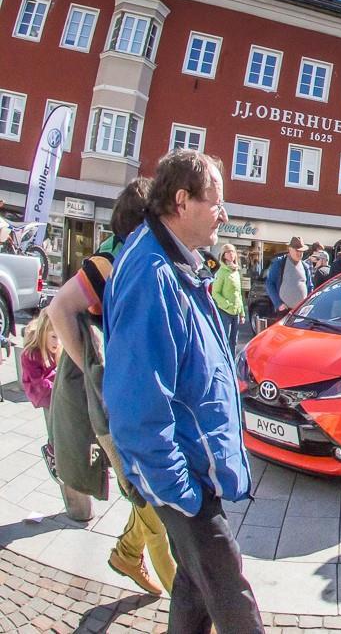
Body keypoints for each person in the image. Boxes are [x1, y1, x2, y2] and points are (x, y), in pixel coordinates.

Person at [105, 150, 262, 632]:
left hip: (193, 469)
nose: (224, 214)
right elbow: (137, 406)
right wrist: (181, 492)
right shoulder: (153, 273)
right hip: (184, 476)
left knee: (194, 589)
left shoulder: (173, 260)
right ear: (181, 201)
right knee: (232, 597)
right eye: (216, 202)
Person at [45, 176, 175, 596]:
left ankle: (127, 553)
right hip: (115, 405)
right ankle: (191, 607)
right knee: (153, 504)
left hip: (135, 398)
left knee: (148, 495)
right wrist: (94, 371)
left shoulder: (141, 256)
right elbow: (59, 308)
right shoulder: (111, 259)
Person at [20, 312, 91, 518]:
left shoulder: (57, 348)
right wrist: (60, 384)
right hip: (45, 397)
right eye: (53, 337)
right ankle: (53, 452)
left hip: (58, 395)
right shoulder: (30, 354)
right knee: (57, 433)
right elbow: (38, 384)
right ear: (43, 333)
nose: (57, 342)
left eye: (59, 337)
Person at [266, 236, 312, 315]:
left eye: (301, 251)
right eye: (297, 251)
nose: (300, 253)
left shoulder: (305, 266)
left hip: (301, 312)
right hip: (284, 311)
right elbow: (270, 284)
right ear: (290, 249)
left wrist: (307, 304)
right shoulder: (279, 263)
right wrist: (279, 304)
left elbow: (310, 287)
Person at [212, 243, 245, 350]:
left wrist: (242, 313)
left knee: (234, 341)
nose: (231, 254)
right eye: (228, 252)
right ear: (223, 255)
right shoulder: (221, 271)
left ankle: (232, 359)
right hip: (225, 312)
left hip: (236, 312)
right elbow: (215, 293)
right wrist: (226, 304)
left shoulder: (236, 271)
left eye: (233, 251)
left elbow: (239, 293)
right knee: (224, 340)